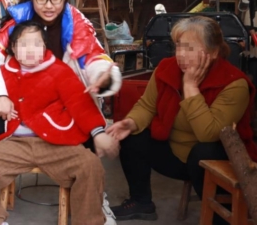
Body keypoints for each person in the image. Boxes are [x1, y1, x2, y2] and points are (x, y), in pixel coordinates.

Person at [0, 0, 121, 221]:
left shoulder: (77, 24)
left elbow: (94, 57)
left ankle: (95, 202)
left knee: (87, 143)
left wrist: (101, 75)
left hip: (62, 99)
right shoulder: (17, 21)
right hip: (20, 100)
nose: (49, 5)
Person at [107, 16, 257, 222]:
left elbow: (209, 134)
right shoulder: (166, 69)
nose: (181, 55)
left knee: (202, 151)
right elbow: (147, 106)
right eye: (178, 46)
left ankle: (219, 217)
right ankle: (141, 202)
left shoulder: (234, 83)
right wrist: (131, 122)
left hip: (215, 160)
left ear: (213, 52)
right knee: (132, 134)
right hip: (174, 154)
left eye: (190, 48)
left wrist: (191, 88)